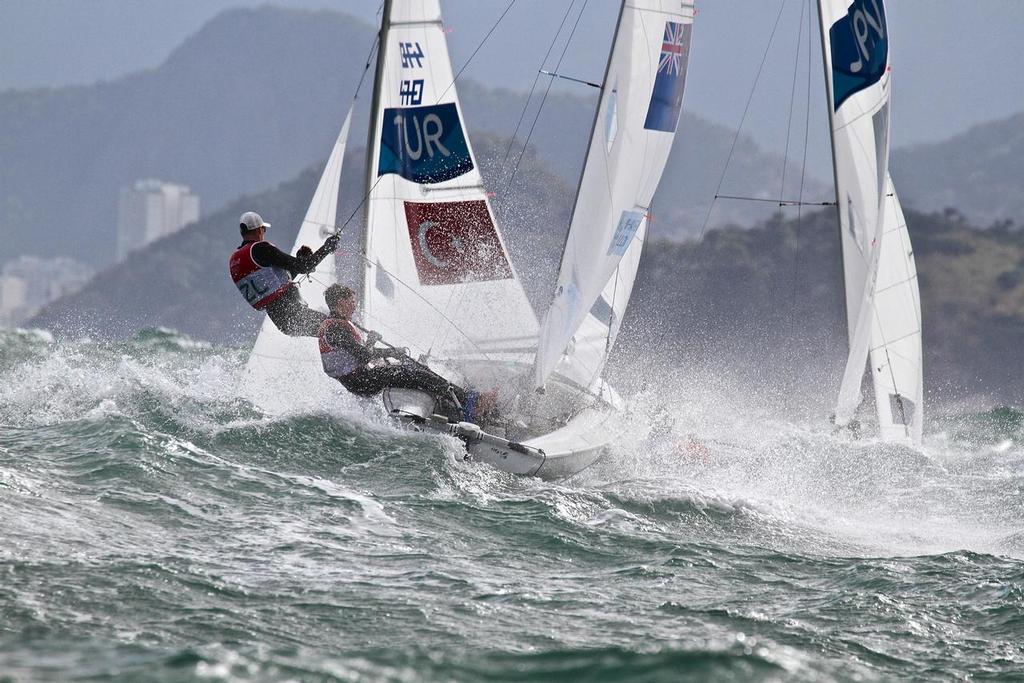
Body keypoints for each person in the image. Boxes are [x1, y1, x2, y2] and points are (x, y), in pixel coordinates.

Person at [317, 284, 497, 420]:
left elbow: (359, 354)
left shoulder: (337, 324)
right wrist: (383, 348)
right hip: (361, 381)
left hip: (362, 378)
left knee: (419, 370)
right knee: (418, 375)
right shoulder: (335, 329)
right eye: (352, 301)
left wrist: (392, 353)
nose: (354, 306)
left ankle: (457, 401)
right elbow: (363, 355)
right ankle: (471, 403)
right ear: (341, 301)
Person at [228, 211, 340, 337]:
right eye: (264, 229)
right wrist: (327, 247)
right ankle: (363, 355)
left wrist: (300, 259)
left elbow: (278, 280)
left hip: (282, 321)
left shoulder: (235, 260)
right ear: (260, 229)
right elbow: (304, 267)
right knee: (335, 327)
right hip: (293, 312)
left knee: (330, 332)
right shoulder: (261, 249)